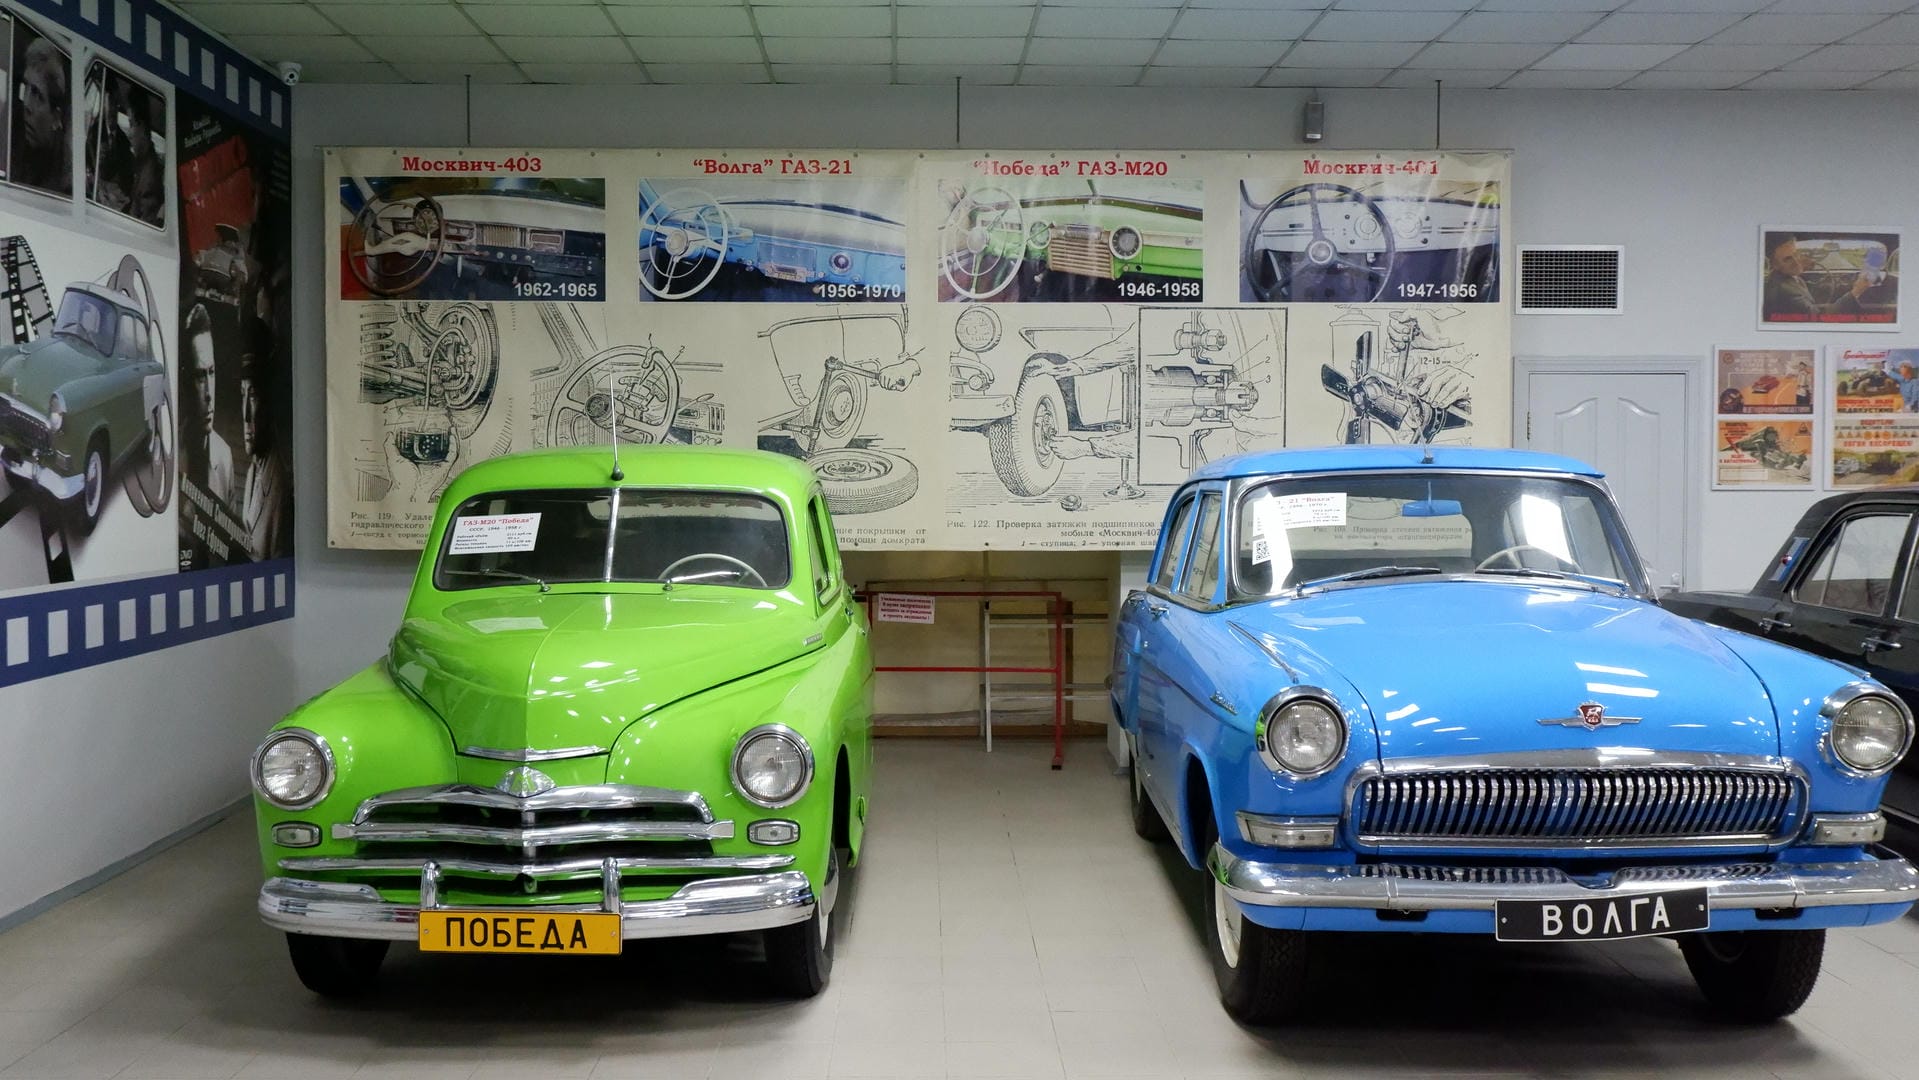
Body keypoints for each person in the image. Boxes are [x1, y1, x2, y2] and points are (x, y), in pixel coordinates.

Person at [238, 351, 288, 559]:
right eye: (242, 395)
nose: (245, 415)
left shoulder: (280, 485)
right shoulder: (254, 469)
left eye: (253, 396)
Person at [184, 304, 235, 506]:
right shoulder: (169, 451)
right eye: (199, 376)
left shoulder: (225, 457)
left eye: (211, 373)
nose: (209, 395)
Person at [12, 35, 71, 194]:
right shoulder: (18, 136)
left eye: (37, 95)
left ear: (56, 117)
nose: (26, 105)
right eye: (26, 88)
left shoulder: (61, 177)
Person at [1763, 234, 1870, 321]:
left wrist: (1800, 269)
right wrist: (1856, 292)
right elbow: (1820, 319)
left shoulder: (1787, 278)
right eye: (1788, 259)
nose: (1796, 261)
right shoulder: (1786, 291)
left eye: (1796, 254)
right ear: (1774, 265)